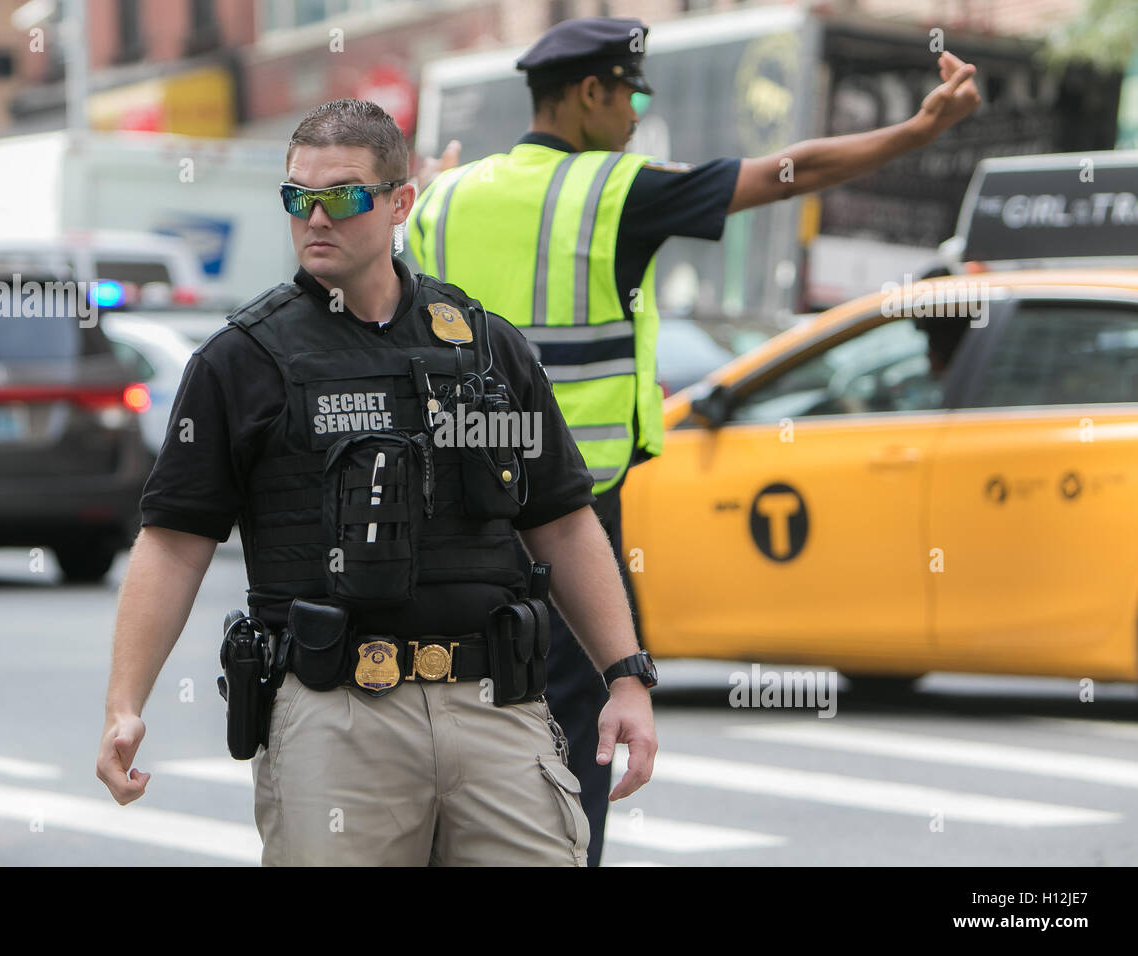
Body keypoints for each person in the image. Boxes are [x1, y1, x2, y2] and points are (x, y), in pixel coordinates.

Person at [408, 15, 982, 864]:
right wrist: (920, 128)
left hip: (446, 515)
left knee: (446, 720)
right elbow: (794, 172)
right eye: (632, 92)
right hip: (570, 518)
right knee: (574, 732)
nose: (640, 110)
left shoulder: (444, 195)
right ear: (590, 94)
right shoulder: (615, 191)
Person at [95, 98, 657, 867]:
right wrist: (125, 704)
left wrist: (625, 677)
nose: (316, 217)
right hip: (335, 713)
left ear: (400, 202)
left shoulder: (486, 349)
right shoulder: (242, 362)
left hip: (495, 707)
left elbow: (561, 517)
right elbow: (173, 543)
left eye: (344, 196)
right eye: (299, 198)